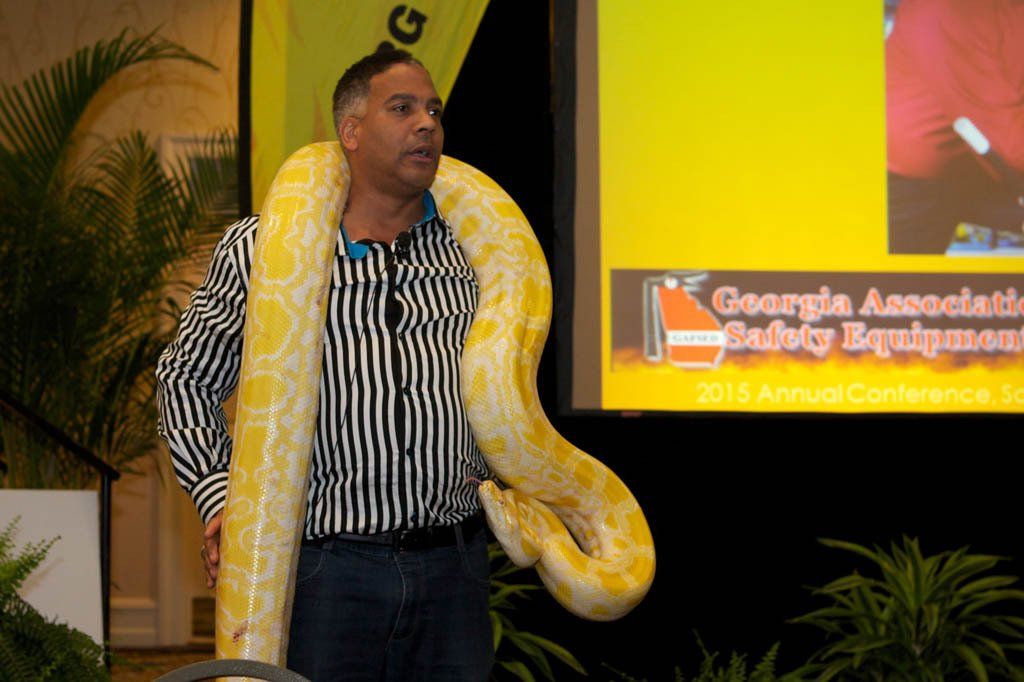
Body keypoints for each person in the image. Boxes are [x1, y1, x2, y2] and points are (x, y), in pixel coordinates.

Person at [156, 49, 493, 680]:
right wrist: (220, 498)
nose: (427, 123)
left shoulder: (473, 257)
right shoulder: (259, 249)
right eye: (402, 108)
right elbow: (185, 380)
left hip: (454, 568)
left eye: (434, 111)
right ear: (351, 132)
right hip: (324, 574)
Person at [886, 0, 1024, 254]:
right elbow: (1007, 139)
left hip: (973, 166)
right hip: (903, 189)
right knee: (904, 285)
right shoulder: (949, 9)